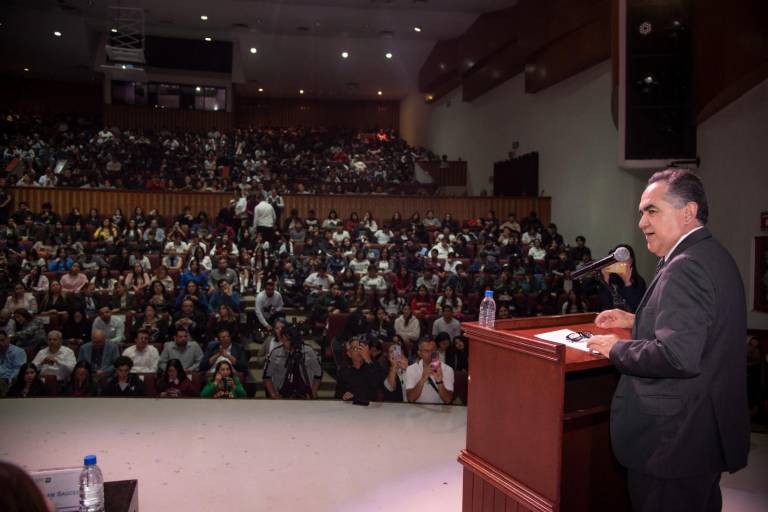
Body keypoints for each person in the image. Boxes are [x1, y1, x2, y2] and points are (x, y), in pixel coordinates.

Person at [586, 169, 749, 512]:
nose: (641, 221)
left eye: (652, 210)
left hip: (673, 442)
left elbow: (677, 355)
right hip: (701, 435)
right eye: (641, 212)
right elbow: (704, 330)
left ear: (688, 212)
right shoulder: (712, 255)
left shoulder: (684, 266)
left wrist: (616, 348)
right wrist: (636, 321)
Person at [263, 327, 322, 399]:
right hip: (283, 393)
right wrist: (273, 395)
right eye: (283, 340)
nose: (285, 343)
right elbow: (266, 377)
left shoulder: (308, 351)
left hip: (304, 392)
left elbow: (318, 374)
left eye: (288, 340)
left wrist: (313, 392)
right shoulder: (275, 353)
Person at [596, 244, 647, 313]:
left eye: (625, 258)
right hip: (610, 320)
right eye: (619, 258)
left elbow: (637, 310)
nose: (621, 262)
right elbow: (604, 307)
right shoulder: (610, 279)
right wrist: (605, 279)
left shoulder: (639, 281)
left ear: (631, 261)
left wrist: (627, 283)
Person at [405, 338, 454, 404]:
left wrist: (439, 382)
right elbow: (410, 399)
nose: (431, 353)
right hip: (417, 411)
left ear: (437, 352)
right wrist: (422, 379)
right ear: (419, 353)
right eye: (426, 351)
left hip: (439, 411)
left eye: (433, 350)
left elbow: (448, 400)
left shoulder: (448, 369)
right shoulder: (411, 369)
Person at [334, 337, 381, 403]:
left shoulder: (373, 365)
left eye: (360, 348)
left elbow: (376, 384)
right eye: (355, 348)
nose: (359, 351)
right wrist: (343, 395)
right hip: (350, 407)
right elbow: (338, 394)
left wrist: (368, 360)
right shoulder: (343, 370)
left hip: (369, 408)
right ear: (349, 354)